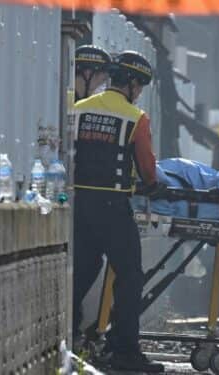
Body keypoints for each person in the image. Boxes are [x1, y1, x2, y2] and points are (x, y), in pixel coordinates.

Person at [72, 50, 165, 372]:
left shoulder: (78, 109)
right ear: (133, 83)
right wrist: (152, 186)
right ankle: (124, 349)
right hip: (113, 206)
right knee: (130, 275)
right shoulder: (135, 117)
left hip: (78, 203)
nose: (138, 93)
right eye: (139, 86)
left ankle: (70, 333)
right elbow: (148, 170)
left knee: (83, 267)